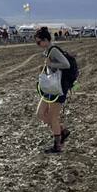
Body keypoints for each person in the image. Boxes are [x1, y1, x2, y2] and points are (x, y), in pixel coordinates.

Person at [35, 26, 72, 154]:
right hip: (50, 87)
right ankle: (62, 131)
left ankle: (57, 146)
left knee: (53, 117)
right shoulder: (48, 50)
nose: (38, 44)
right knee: (40, 114)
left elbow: (66, 64)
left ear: (46, 40)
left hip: (57, 88)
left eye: (39, 42)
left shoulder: (53, 50)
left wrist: (51, 64)